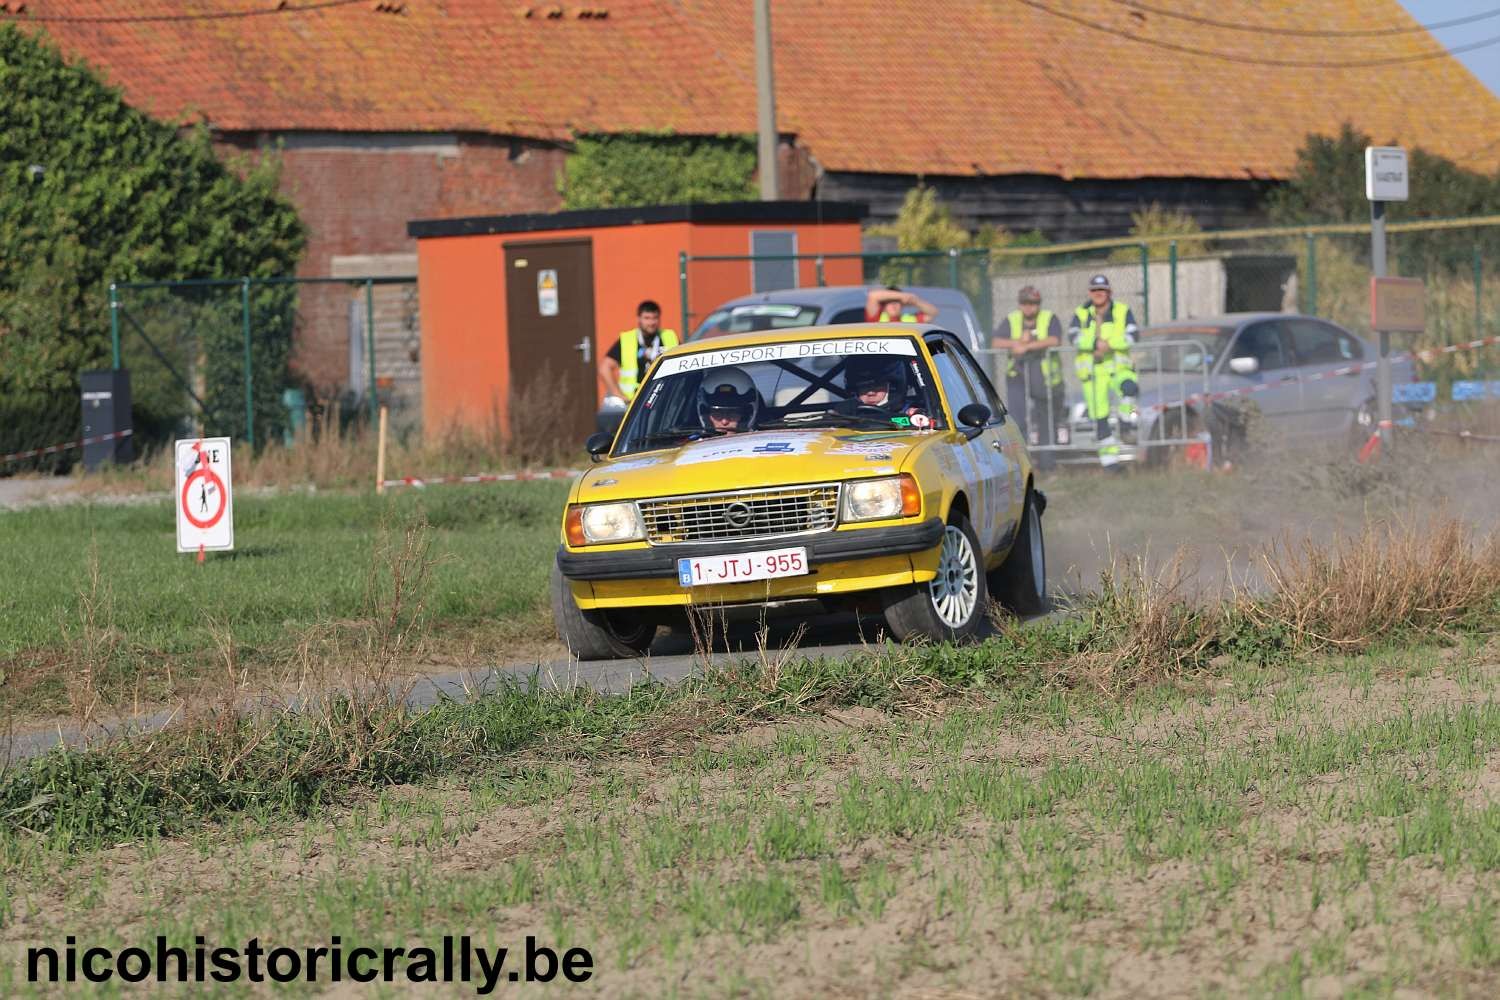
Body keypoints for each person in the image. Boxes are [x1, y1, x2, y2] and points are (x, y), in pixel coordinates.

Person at [1068, 274, 1139, 468]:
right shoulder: (1081, 313)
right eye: (1094, 290)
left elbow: (1133, 335)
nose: (1098, 294)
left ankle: (1126, 422)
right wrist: (1093, 343)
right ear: (1089, 293)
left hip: (1118, 368)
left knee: (1130, 388)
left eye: (1102, 290)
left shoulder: (1122, 311)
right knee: (1100, 419)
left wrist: (1110, 344)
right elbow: (1072, 336)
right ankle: (1110, 463)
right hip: (1093, 373)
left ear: (1109, 292)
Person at [992, 286, 1068, 457]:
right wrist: (1016, 343)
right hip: (1017, 375)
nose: (1029, 307)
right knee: (1018, 420)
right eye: (1025, 303)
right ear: (1019, 304)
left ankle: (1047, 464)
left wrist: (1026, 346)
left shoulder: (1049, 318)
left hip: (1043, 377)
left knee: (1045, 420)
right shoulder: (1012, 319)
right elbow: (996, 342)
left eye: (1033, 303)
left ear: (1039, 304)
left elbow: (1055, 339)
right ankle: (1023, 461)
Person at [600, 300, 679, 402]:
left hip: (665, 399)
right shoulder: (627, 340)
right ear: (639, 319)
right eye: (647, 318)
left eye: (655, 318)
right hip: (635, 400)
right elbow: (604, 368)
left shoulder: (670, 337)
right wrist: (618, 394)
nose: (651, 323)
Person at [839, 355, 931, 427]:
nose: (871, 393)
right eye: (864, 387)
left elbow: (926, 423)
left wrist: (917, 415)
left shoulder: (910, 411)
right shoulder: (842, 413)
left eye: (877, 386)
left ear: (892, 387)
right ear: (855, 389)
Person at [697, 368, 759, 435]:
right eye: (717, 413)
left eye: (732, 413)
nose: (724, 422)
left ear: (745, 415)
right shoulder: (692, 443)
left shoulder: (759, 441)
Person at [865, 286, 940, 323]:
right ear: (884, 306)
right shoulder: (876, 319)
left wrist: (914, 300)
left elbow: (933, 313)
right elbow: (872, 296)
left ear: (902, 305)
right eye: (889, 301)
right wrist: (902, 296)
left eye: (897, 301)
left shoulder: (910, 319)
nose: (893, 304)